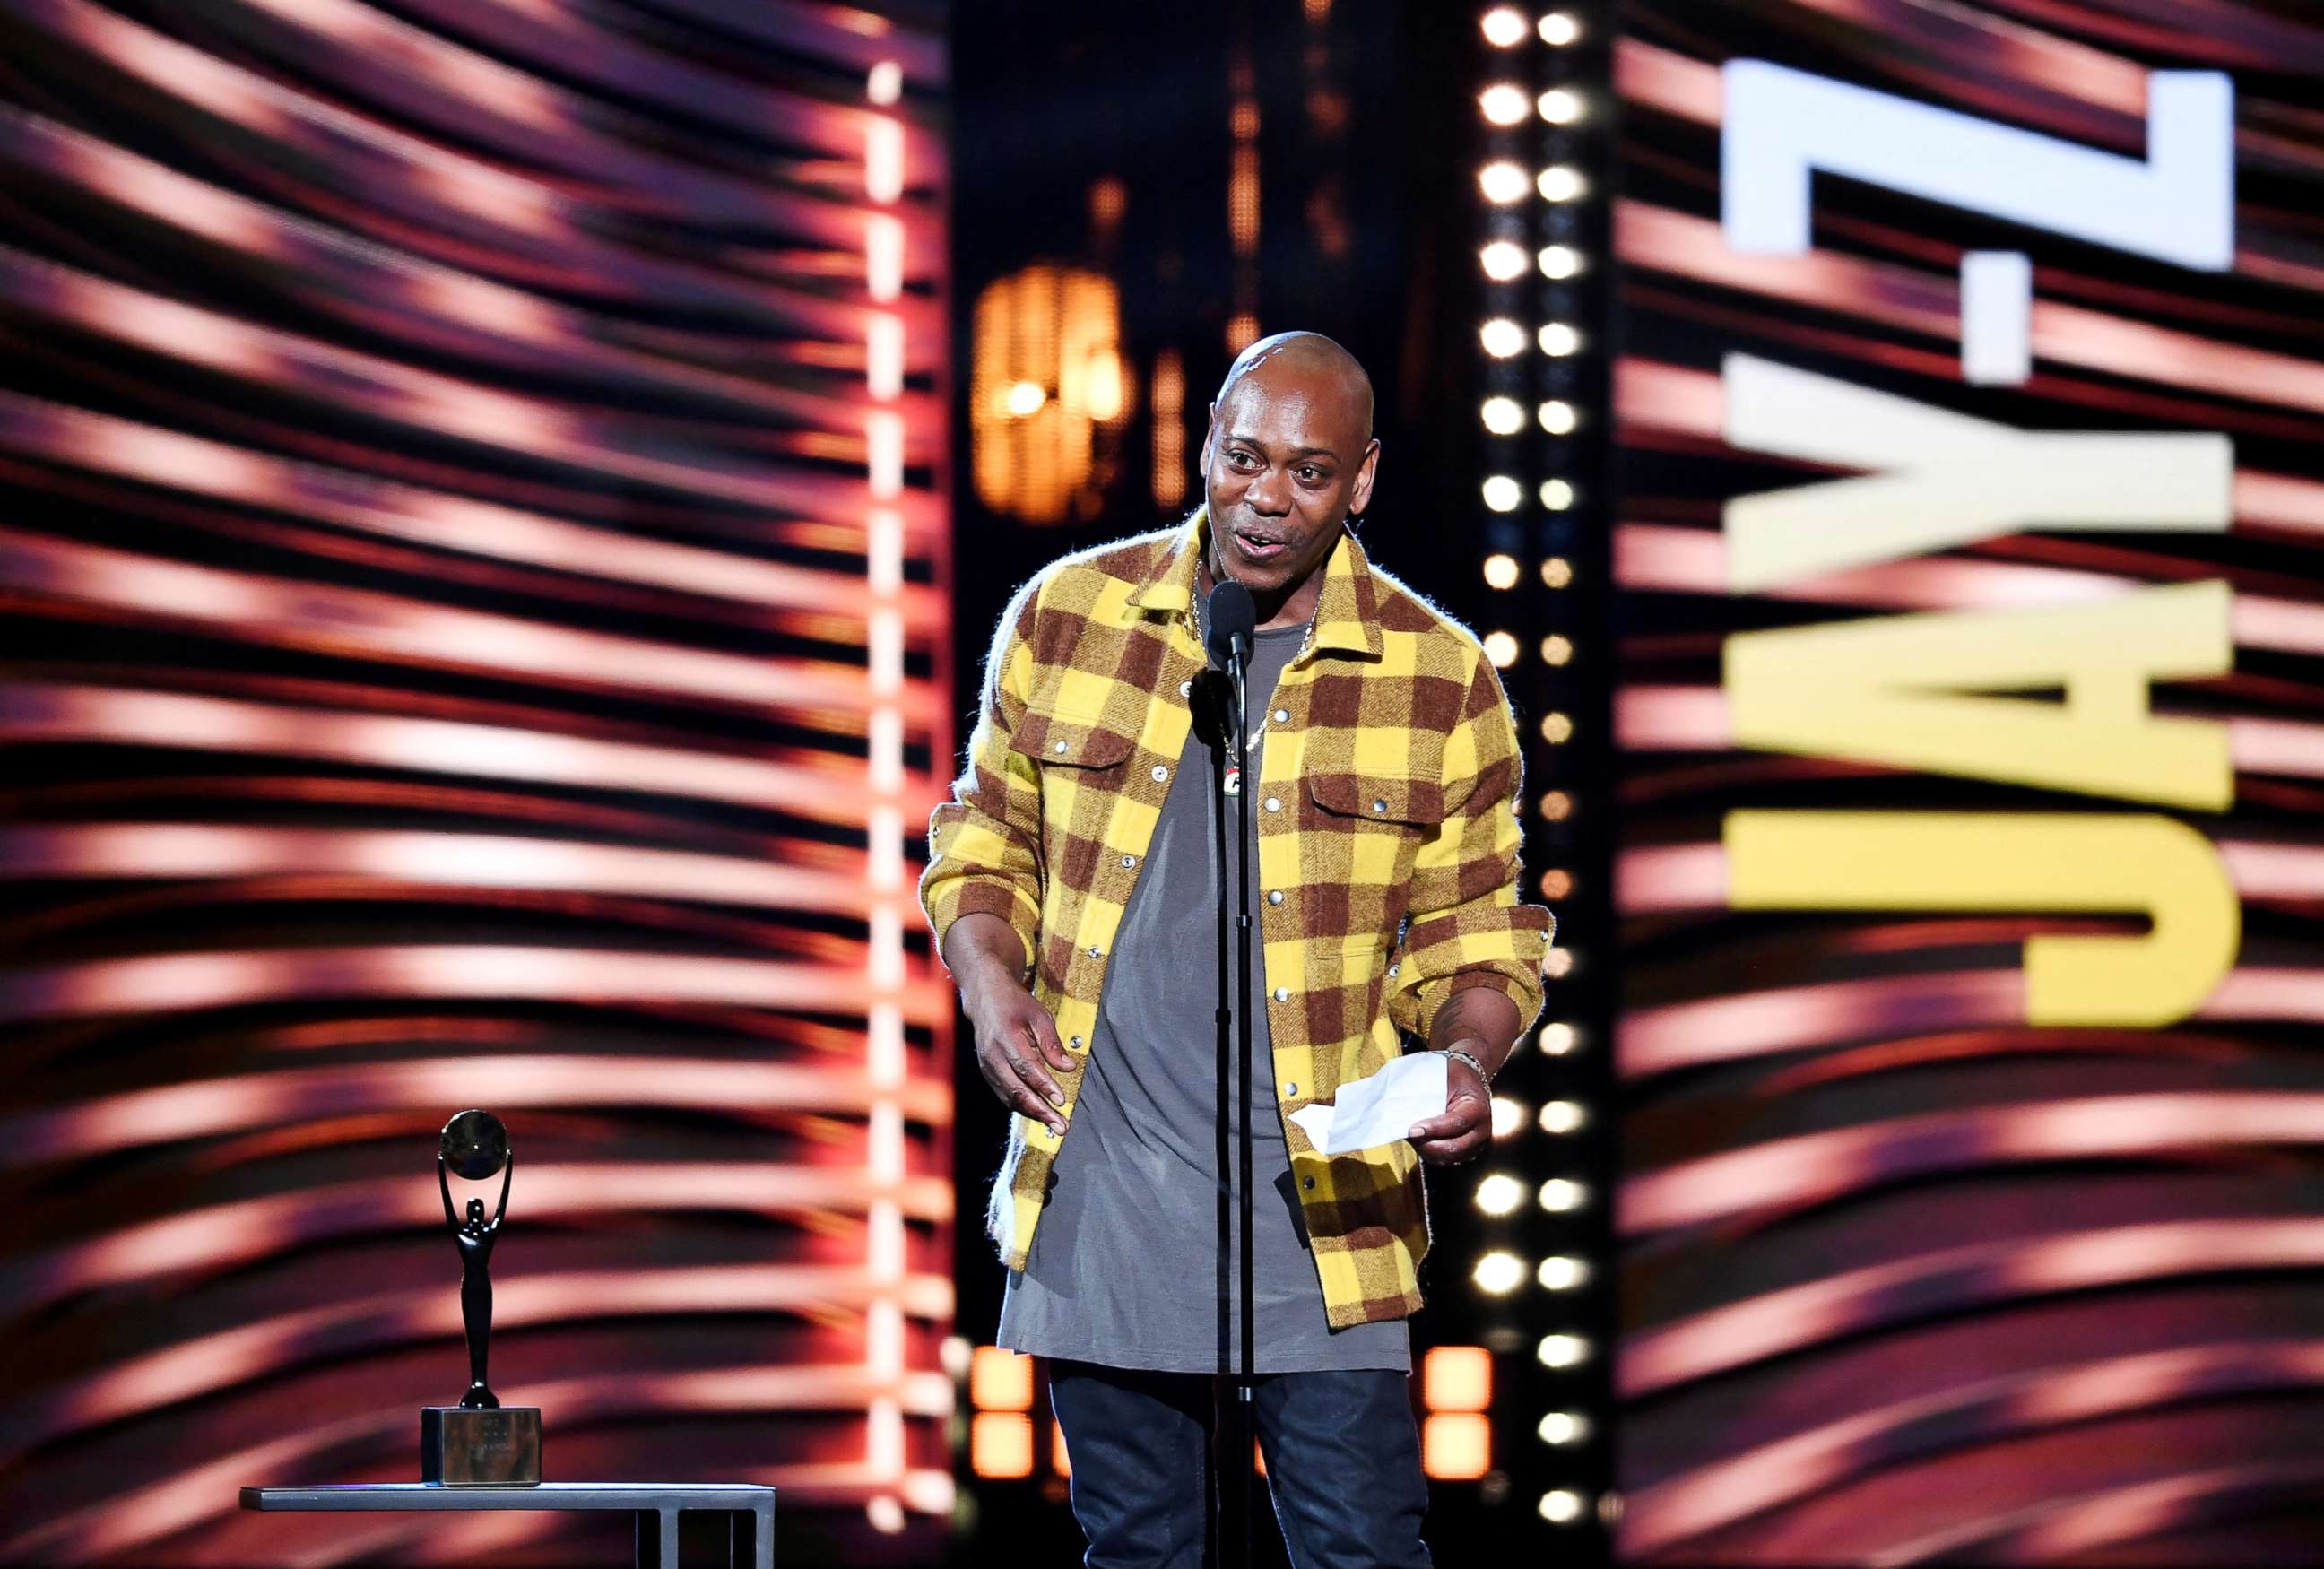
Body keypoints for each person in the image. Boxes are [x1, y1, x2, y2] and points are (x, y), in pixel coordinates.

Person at [922, 331, 1552, 1567]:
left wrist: (1467, 1058)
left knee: (1364, 1550)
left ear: (1361, 481)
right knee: (1141, 1550)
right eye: (1243, 456)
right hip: (1106, 1196)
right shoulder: (1068, 619)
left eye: (1309, 473)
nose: (1265, 497)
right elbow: (980, 848)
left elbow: (1481, 934)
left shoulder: (1441, 676)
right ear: (1205, 437)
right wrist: (992, 990)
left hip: (1326, 1215)